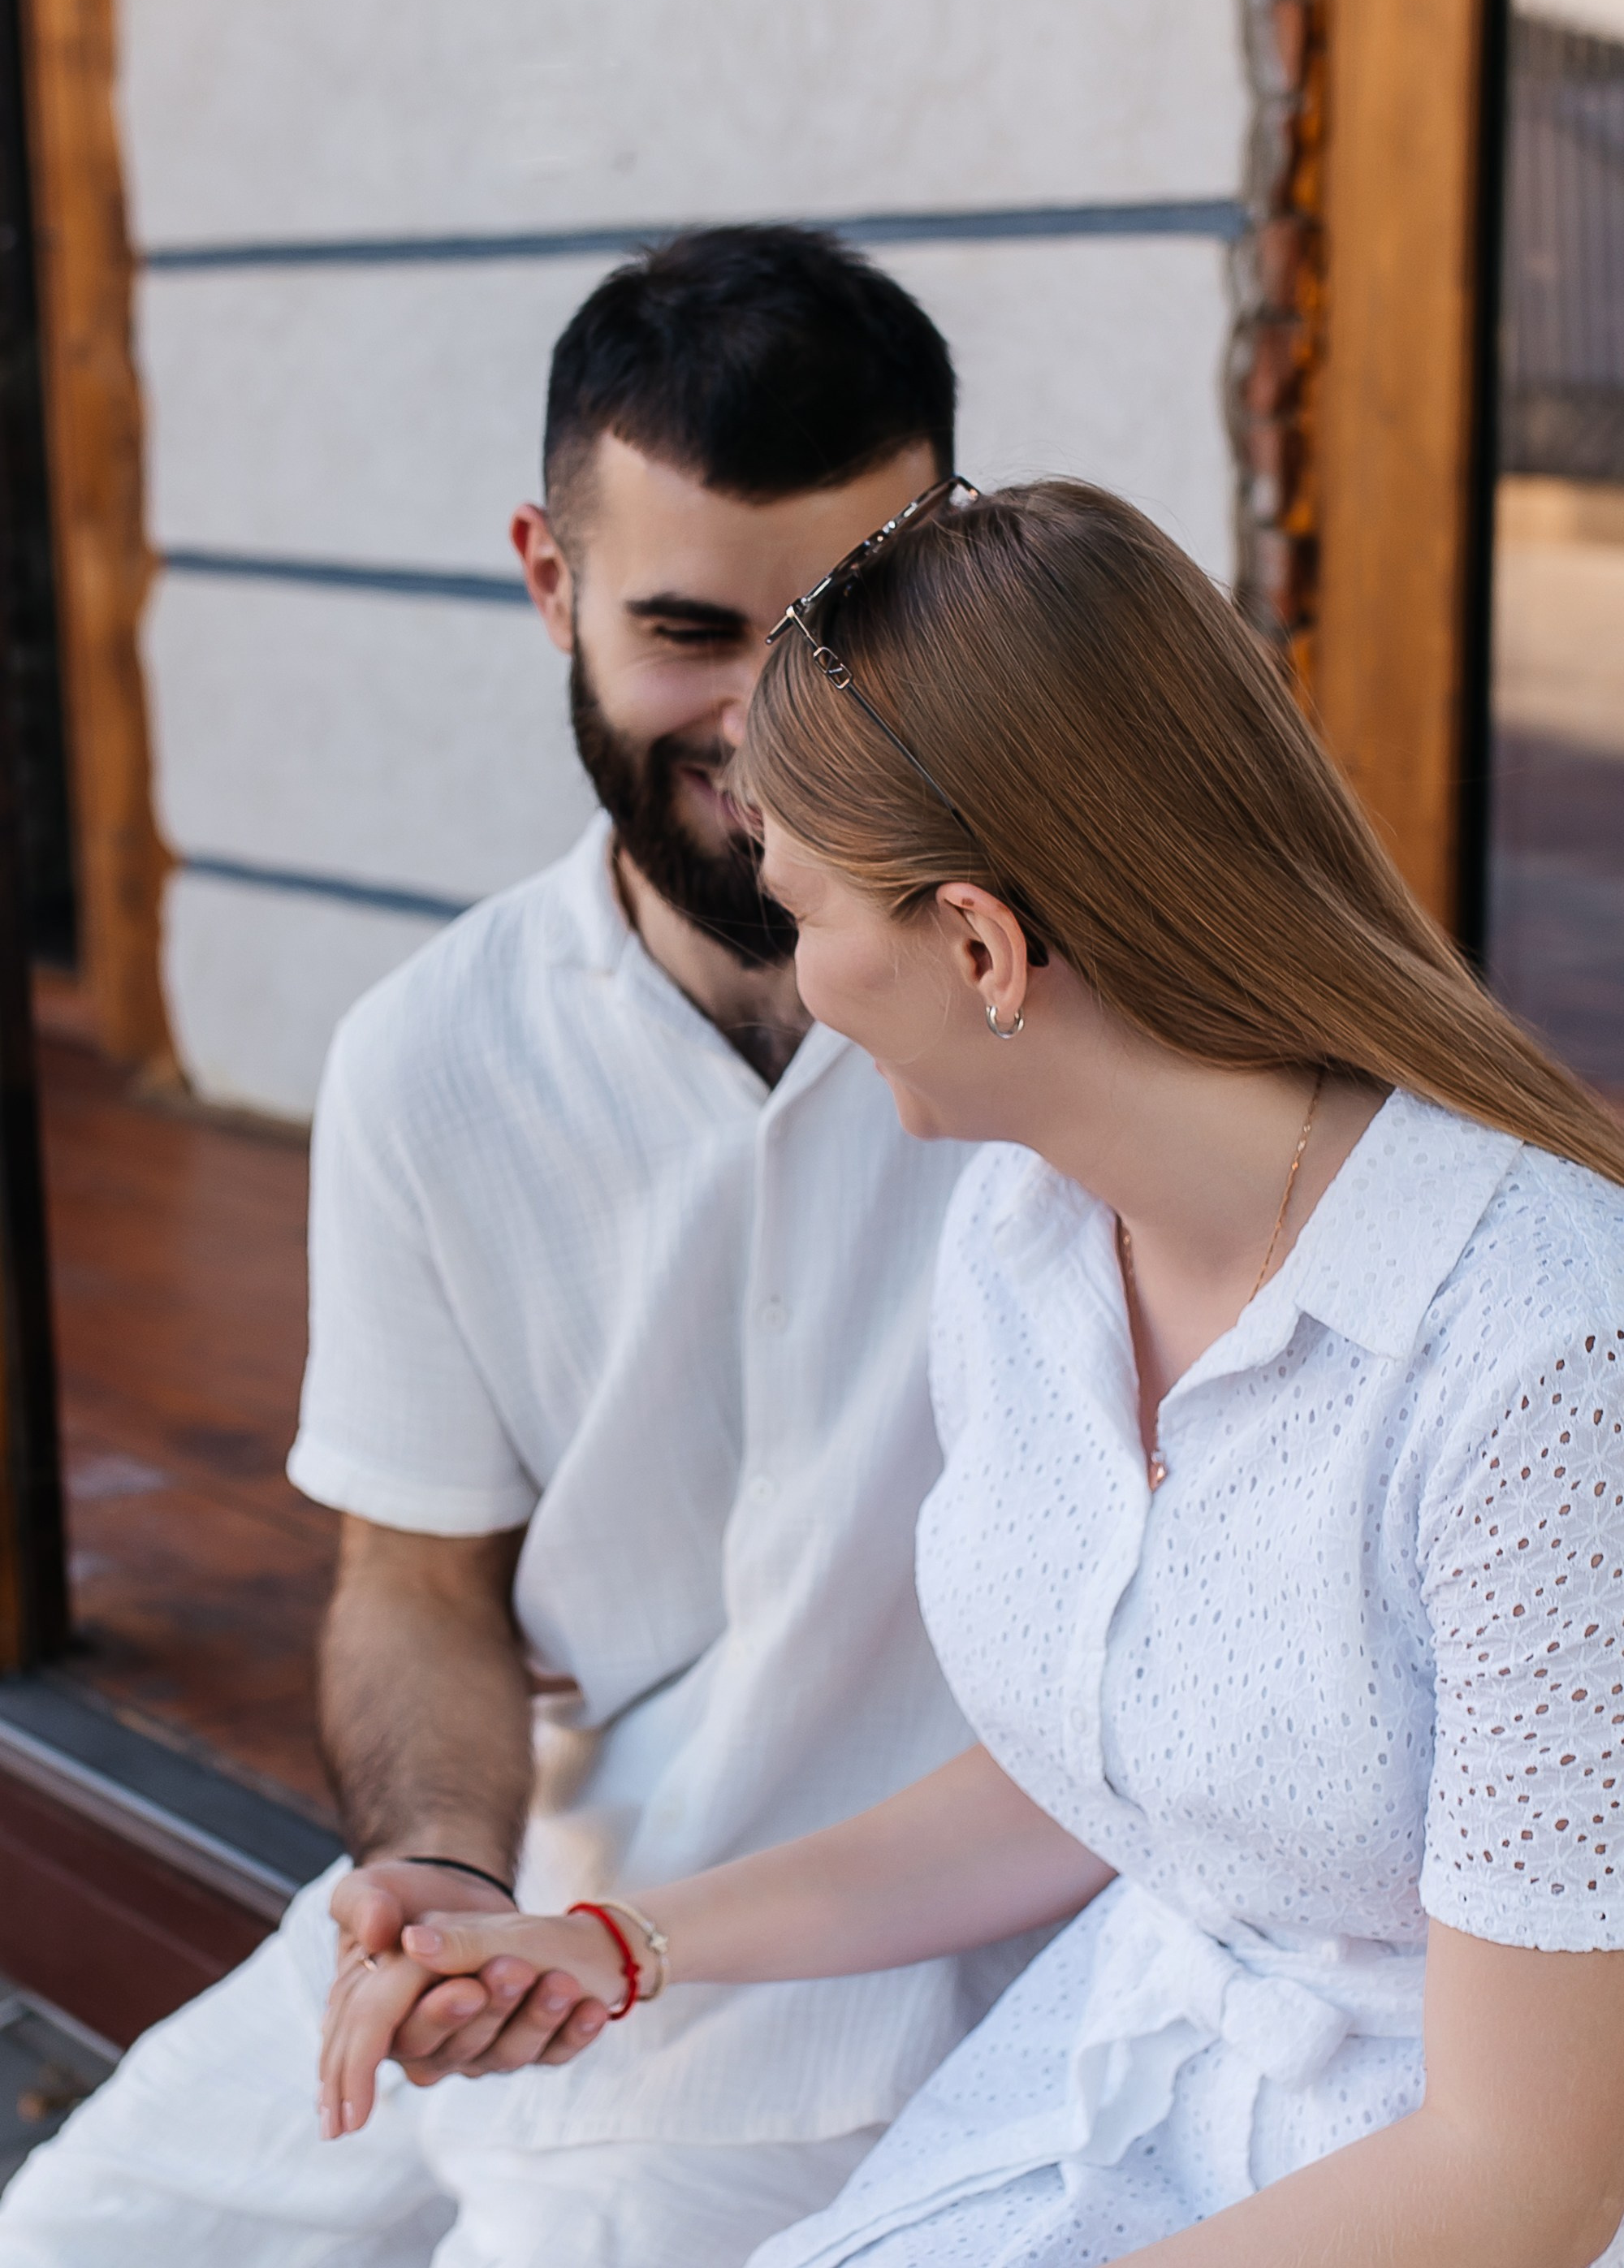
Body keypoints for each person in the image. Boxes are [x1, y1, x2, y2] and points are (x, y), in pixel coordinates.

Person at [329, 478, 1624, 2268]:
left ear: (981, 948)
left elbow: (1523, 2179)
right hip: (1133, 2088)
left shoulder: (1545, 1362)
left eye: (805, 915)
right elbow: (1113, 1768)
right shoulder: (1023, 1240)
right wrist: (621, 1943)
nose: (800, 980)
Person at [0, 232, 1033, 2268]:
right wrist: (438, 1860)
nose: (772, 725)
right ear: (548, 583)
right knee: (79, 2233)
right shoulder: (428, 1059)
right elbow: (416, 1577)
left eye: (842, 626)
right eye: (686, 630)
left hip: (916, 1945)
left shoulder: (1062, 1002)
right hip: (550, 1869)